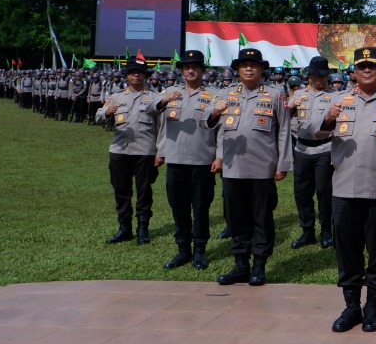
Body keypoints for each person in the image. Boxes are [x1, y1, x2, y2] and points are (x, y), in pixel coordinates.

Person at [309, 47, 376, 333]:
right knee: (347, 251)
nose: (367, 70)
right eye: (362, 66)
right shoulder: (337, 100)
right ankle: (352, 306)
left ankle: (373, 307)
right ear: (353, 71)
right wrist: (329, 119)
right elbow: (313, 132)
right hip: (344, 189)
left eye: (372, 66)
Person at [207, 47, 292, 286]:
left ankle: (259, 266)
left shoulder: (276, 95)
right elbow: (218, 128)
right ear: (237, 69)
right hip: (233, 166)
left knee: (261, 217)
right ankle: (240, 264)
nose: (248, 68)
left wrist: (282, 164)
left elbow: (284, 130)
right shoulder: (226, 94)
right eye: (243, 64)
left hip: (262, 167)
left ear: (262, 69)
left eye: (253, 65)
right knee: (236, 217)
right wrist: (219, 155)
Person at [147, 49, 219, 270]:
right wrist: (164, 100)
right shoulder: (170, 91)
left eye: (195, 66)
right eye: (186, 67)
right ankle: (182, 250)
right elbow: (149, 110)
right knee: (178, 208)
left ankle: (199, 251)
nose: (190, 70)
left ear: (202, 71)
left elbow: (223, 130)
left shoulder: (215, 95)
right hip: (176, 159)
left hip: (202, 160)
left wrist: (220, 156)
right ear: (181, 70)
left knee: (200, 208)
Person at [102, 58, 160, 245]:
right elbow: (99, 116)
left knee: (144, 191)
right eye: (132, 72)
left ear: (145, 76)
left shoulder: (155, 97)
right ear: (126, 76)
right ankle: (124, 227)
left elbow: (162, 127)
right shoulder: (117, 96)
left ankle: (143, 228)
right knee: (121, 190)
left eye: (140, 72)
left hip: (145, 150)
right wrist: (107, 112)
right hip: (120, 150)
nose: (136, 74)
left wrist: (161, 152)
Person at [289, 56, 337, 250]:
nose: (321, 79)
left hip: (325, 148)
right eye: (317, 76)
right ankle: (307, 230)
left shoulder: (336, 96)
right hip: (301, 149)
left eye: (324, 75)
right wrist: (291, 106)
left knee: (324, 192)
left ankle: (326, 230)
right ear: (309, 76)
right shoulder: (298, 95)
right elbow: (284, 115)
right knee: (302, 192)